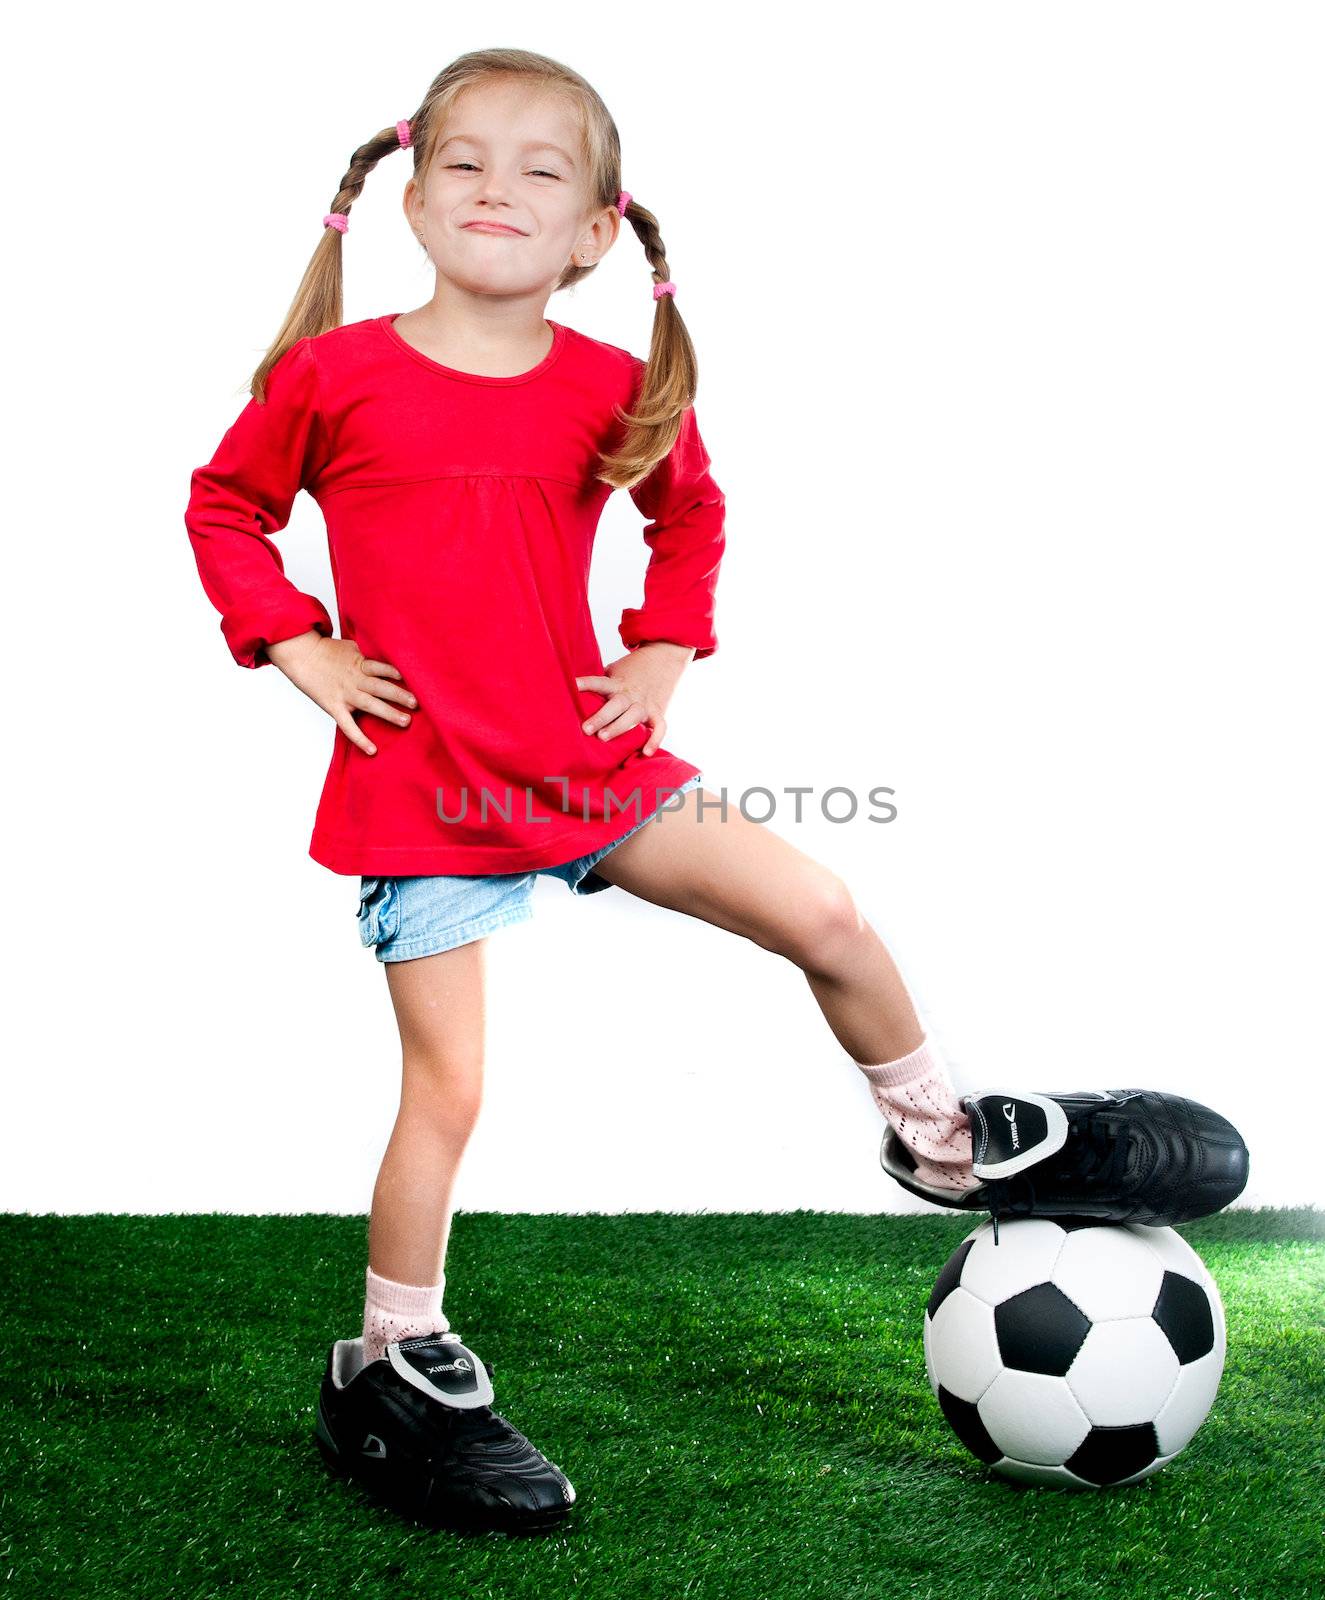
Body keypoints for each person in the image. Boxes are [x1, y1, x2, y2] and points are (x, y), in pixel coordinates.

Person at [184, 48, 1249, 1535]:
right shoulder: (332, 375)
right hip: (429, 790)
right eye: (466, 162)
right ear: (410, 198)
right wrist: (297, 645)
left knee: (824, 909)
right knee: (452, 1089)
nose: (499, 189)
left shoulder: (606, 386)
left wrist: (662, 651)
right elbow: (223, 506)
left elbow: (689, 519)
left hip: (586, 769)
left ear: (594, 232)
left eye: (540, 170)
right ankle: (387, 1352)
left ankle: (940, 1142)